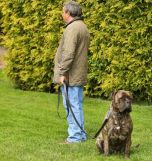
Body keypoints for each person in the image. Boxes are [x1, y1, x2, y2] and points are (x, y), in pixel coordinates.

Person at [53, 1, 90, 143]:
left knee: (71, 105)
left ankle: (75, 137)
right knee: (76, 104)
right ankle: (80, 134)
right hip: (77, 73)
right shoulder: (82, 26)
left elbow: (68, 53)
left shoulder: (72, 28)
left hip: (70, 75)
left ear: (68, 13)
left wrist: (62, 73)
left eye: (63, 12)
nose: (62, 14)